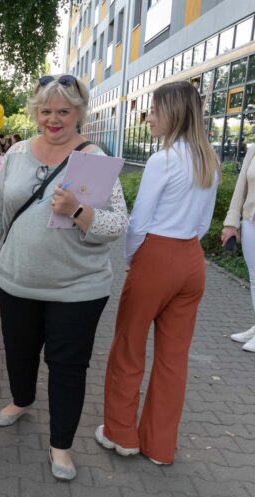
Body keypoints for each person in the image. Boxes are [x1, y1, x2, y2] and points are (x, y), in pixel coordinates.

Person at [0, 74, 128, 481]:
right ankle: (21, 401)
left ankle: (60, 446)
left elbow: (115, 226)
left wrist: (79, 209)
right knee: (18, 352)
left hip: (78, 288)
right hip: (16, 280)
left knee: (67, 367)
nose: (53, 119)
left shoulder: (92, 159)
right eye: (46, 111)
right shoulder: (18, 153)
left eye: (63, 111)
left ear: (79, 113)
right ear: (35, 113)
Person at [98, 82, 220, 466]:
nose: (148, 116)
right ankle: (160, 446)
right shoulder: (209, 161)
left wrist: (135, 258)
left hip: (157, 254)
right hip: (191, 260)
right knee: (173, 358)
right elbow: (203, 224)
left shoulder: (162, 160)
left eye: (153, 109)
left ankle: (122, 434)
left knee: (128, 347)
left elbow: (138, 221)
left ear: (173, 112)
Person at [222, 145, 255, 352]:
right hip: (251, 221)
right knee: (254, 277)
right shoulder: (254, 149)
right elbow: (240, 188)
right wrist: (231, 222)